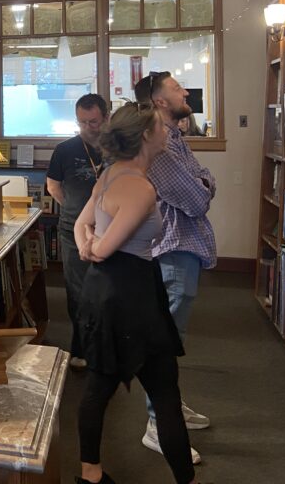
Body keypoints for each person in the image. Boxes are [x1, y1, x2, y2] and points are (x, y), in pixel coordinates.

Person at [73, 103, 196, 484]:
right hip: (132, 296)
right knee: (165, 395)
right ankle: (185, 480)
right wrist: (94, 245)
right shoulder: (139, 187)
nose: (168, 130)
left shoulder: (110, 174)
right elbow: (106, 247)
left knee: (97, 387)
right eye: (161, 126)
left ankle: (90, 473)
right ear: (146, 136)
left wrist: (88, 244)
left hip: (105, 291)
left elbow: (83, 225)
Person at [133, 70, 216, 463]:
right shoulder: (160, 146)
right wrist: (202, 186)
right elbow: (197, 198)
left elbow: (205, 180)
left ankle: (170, 407)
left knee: (173, 339)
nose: (185, 91)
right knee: (165, 342)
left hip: (185, 248)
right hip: (172, 250)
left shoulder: (176, 136)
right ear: (161, 101)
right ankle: (157, 423)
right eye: (177, 88)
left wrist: (203, 184)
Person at [46, 93, 108, 370]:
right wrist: (78, 213)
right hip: (73, 228)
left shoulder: (117, 148)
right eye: (82, 122)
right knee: (78, 291)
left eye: (93, 121)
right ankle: (81, 347)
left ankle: (107, 345)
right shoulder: (65, 149)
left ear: (105, 118)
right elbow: (53, 187)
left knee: (108, 289)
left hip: (111, 227)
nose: (88, 127)